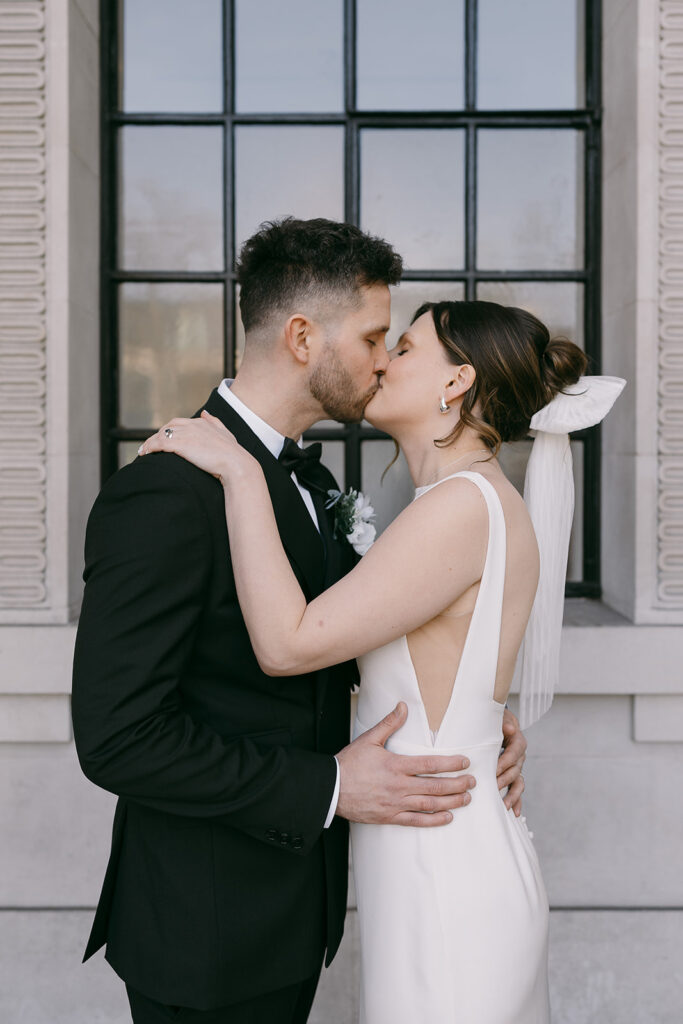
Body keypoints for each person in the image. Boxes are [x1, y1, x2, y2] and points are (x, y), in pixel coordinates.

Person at [71, 218, 529, 1024]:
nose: (384, 359)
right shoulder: (167, 492)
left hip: (297, 915)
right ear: (300, 336)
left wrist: (475, 721)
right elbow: (118, 736)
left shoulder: (315, 486)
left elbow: (367, 640)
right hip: (204, 928)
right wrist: (327, 786)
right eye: (373, 336)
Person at [140, 295, 624, 1021]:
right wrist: (483, 726)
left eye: (402, 349)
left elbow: (287, 644)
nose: (379, 362)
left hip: (444, 869)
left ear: (454, 382)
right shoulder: (462, 500)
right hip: (430, 845)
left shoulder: (459, 506)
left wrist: (239, 474)